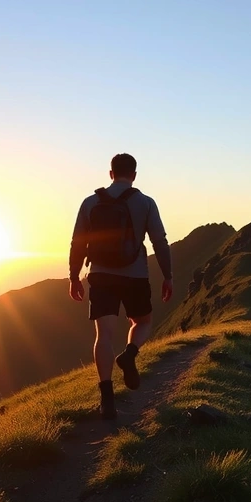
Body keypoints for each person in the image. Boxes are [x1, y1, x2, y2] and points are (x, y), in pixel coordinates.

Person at [69, 153, 173, 420]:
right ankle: (129, 354)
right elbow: (159, 241)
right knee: (143, 321)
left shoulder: (90, 202)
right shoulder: (146, 203)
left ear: (111, 173)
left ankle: (107, 400)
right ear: (134, 175)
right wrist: (168, 276)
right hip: (135, 275)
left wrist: (73, 277)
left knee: (103, 335)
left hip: (101, 275)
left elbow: (78, 243)